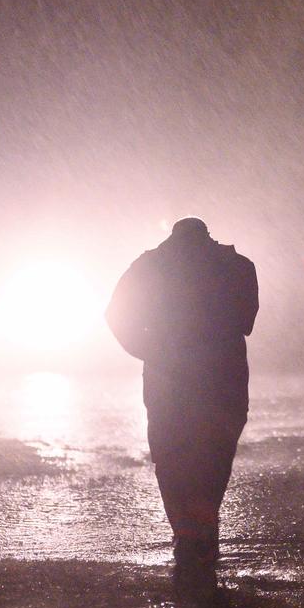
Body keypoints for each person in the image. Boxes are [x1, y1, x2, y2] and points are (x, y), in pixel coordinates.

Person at [106, 217, 258, 588]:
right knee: (214, 454)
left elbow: (116, 316)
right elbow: (247, 321)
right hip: (223, 376)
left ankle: (187, 533)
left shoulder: (148, 266)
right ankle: (202, 527)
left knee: (172, 455)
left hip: (167, 378)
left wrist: (149, 350)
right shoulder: (237, 266)